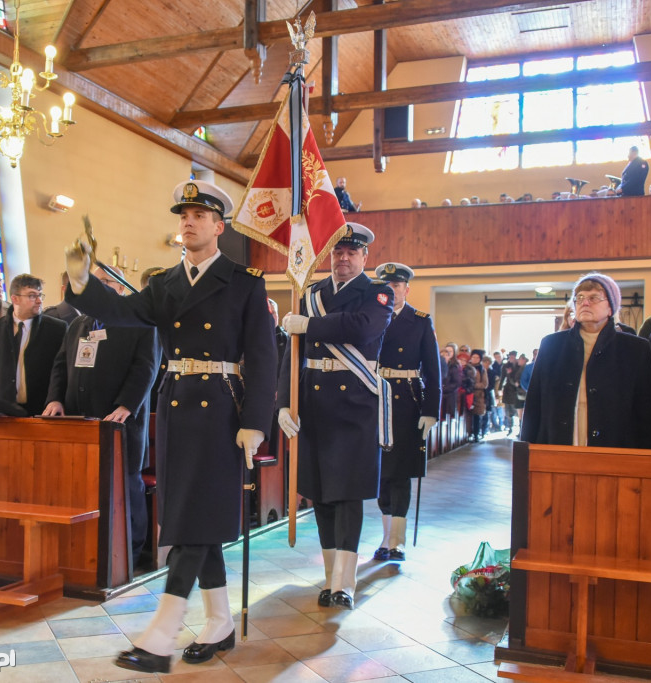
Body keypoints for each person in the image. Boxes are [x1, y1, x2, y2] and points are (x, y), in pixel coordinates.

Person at [64, 179, 277, 673]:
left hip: (222, 410)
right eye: (183, 214)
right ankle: (220, 621)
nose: (188, 221)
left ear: (218, 227)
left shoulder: (244, 280)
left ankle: (160, 637)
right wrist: (81, 281)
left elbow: (262, 358)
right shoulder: (163, 283)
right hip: (177, 405)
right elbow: (120, 312)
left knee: (191, 521)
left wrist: (255, 423)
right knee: (188, 515)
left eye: (199, 215)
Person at [277, 223, 393, 610]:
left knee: (347, 497)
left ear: (364, 257)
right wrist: (281, 403)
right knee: (323, 496)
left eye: (351, 253)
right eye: (337, 252)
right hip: (313, 407)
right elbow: (291, 356)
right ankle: (330, 579)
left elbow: (362, 330)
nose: (343, 258)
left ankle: (346, 583)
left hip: (354, 408)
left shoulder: (377, 293)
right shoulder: (310, 294)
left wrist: (309, 324)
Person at [43, 266, 160, 568]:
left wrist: (126, 405)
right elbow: (59, 366)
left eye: (96, 284)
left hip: (120, 422)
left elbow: (145, 369)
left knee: (126, 487)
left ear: (118, 288)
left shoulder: (142, 324)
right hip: (80, 422)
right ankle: (91, 550)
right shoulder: (79, 325)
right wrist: (55, 399)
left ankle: (130, 554)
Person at [522, 273, 651, 449]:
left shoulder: (635, 349)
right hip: (557, 443)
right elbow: (534, 403)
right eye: (579, 298)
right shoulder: (551, 345)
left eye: (594, 298)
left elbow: (646, 410)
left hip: (615, 447)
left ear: (611, 308)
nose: (585, 303)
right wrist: (526, 450)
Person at [371, 262, 440, 562]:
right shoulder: (372, 317)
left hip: (407, 403)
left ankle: (396, 542)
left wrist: (431, 410)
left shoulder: (420, 320)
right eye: (387, 286)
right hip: (375, 400)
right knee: (381, 474)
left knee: (400, 474)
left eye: (397, 286)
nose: (392, 290)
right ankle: (387, 537)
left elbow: (433, 370)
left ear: (406, 289)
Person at [0, 273, 67, 416]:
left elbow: (61, 370)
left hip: (42, 410)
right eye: (32, 296)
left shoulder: (56, 329)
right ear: (15, 298)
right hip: (1, 412)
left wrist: (56, 399)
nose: (39, 301)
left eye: (40, 295)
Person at [463, 349, 488, 442]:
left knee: (477, 416)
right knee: (468, 415)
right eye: (473, 357)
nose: (475, 359)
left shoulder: (482, 369)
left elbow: (485, 384)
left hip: (478, 395)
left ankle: (476, 434)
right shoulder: (466, 368)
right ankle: (468, 433)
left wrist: (473, 385)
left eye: (477, 357)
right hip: (467, 393)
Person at [439, 343, 461, 419]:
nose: (444, 356)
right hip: (440, 393)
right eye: (442, 354)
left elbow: (456, 382)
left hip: (449, 395)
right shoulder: (438, 366)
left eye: (447, 354)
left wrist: (444, 388)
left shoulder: (454, 366)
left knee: (448, 416)